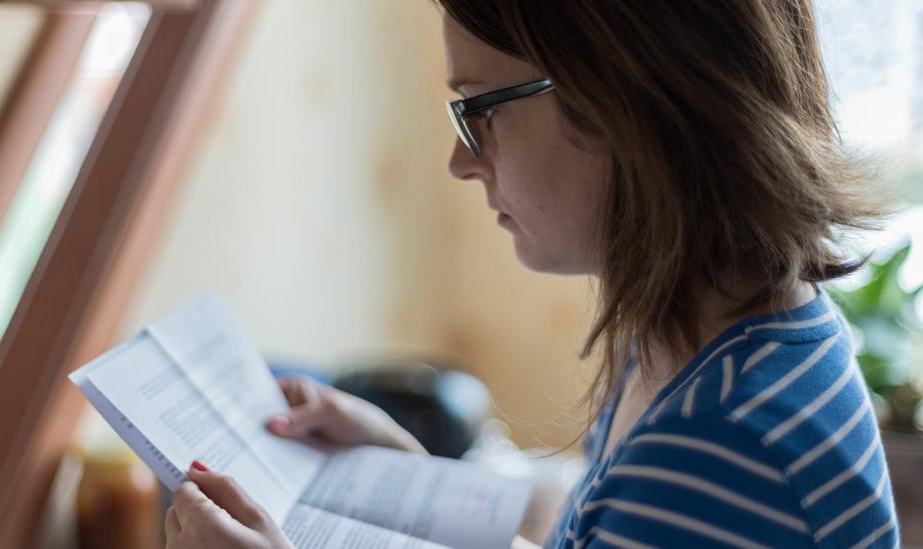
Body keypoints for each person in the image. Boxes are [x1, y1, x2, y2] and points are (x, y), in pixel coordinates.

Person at [163, 1, 900, 548]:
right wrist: (403, 474)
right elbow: (587, 525)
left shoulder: (721, 447)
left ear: (619, 100)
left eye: (479, 108)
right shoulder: (703, 338)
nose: (461, 160)